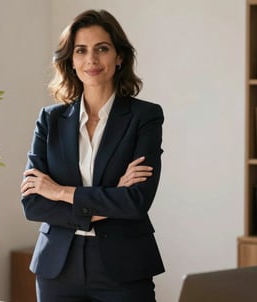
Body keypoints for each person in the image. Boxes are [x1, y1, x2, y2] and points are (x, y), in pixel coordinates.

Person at [20, 9, 165, 302]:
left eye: (102, 48)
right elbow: (33, 204)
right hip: (57, 268)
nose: (92, 60)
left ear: (119, 57)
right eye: (81, 50)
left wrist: (59, 191)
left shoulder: (145, 116)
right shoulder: (50, 119)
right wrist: (110, 199)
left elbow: (136, 201)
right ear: (71, 61)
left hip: (124, 268)